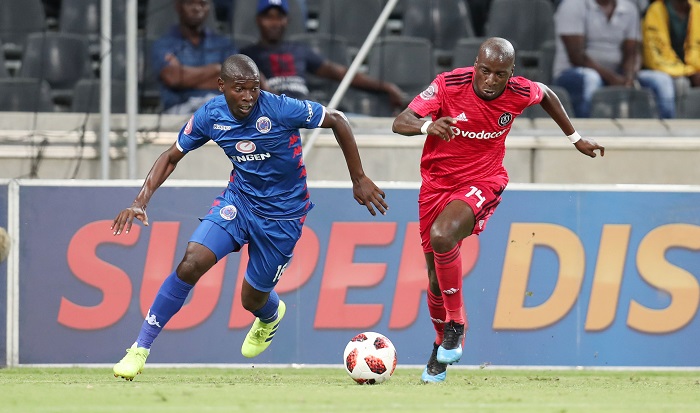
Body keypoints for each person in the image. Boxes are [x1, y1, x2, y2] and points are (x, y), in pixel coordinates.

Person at [111, 54, 388, 381]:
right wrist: (140, 201)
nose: (247, 97)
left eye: (253, 89)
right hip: (239, 202)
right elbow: (172, 156)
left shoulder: (281, 108)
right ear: (222, 86)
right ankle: (139, 349)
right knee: (191, 262)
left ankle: (270, 315)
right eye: (239, 89)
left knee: (252, 298)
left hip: (283, 215)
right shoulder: (211, 115)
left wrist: (358, 178)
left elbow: (338, 119)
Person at [391, 37, 604, 383]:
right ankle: (440, 345)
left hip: (483, 180)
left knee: (443, 235)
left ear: (511, 74)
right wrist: (429, 126)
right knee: (433, 277)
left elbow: (546, 94)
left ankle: (456, 324)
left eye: (500, 74)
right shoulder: (448, 85)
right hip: (435, 186)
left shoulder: (519, 91)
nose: (491, 80)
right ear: (475, 66)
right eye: (486, 71)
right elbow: (401, 121)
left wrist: (575, 138)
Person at [240, 0, 405, 113]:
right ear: (258, 19)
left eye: (279, 17)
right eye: (269, 17)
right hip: (272, 112)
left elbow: (341, 74)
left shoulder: (299, 50)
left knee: (348, 121)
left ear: (287, 20)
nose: (274, 23)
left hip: (305, 108)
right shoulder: (247, 54)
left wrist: (385, 87)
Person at [553, 0, 676, 118]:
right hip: (574, 72)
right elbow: (577, 56)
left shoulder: (629, 8)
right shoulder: (572, 5)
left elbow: (632, 52)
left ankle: (667, 131)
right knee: (590, 79)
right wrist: (612, 78)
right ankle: (584, 134)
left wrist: (629, 77)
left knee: (662, 80)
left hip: (617, 75)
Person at [151, 0, 239, 114]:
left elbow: (234, 81)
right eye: (190, 3)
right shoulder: (164, 44)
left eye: (202, 4)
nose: (196, 8)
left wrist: (183, 78)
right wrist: (216, 69)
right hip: (179, 110)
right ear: (178, 6)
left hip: (217, 108)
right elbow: (173, 78)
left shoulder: (224, 45)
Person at [642, 0, 700, 100]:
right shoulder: (655, 10)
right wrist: (689, 72)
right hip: (664, 70)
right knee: (681, 84)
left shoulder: (697, 9)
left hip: (694, 70)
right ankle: (675, 116)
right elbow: (654, 57)